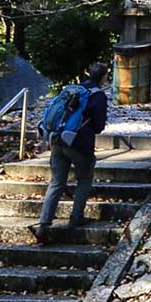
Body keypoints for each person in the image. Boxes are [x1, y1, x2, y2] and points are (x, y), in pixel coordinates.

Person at [31, 62, 109, 243]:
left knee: (56, 182)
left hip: (56, 139)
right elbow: (98, 127)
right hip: (79, 143)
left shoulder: (73, 90)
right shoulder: (97, 96)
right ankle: (76, 218)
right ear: (104, 77)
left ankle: (43, 224)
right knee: (85, 177)